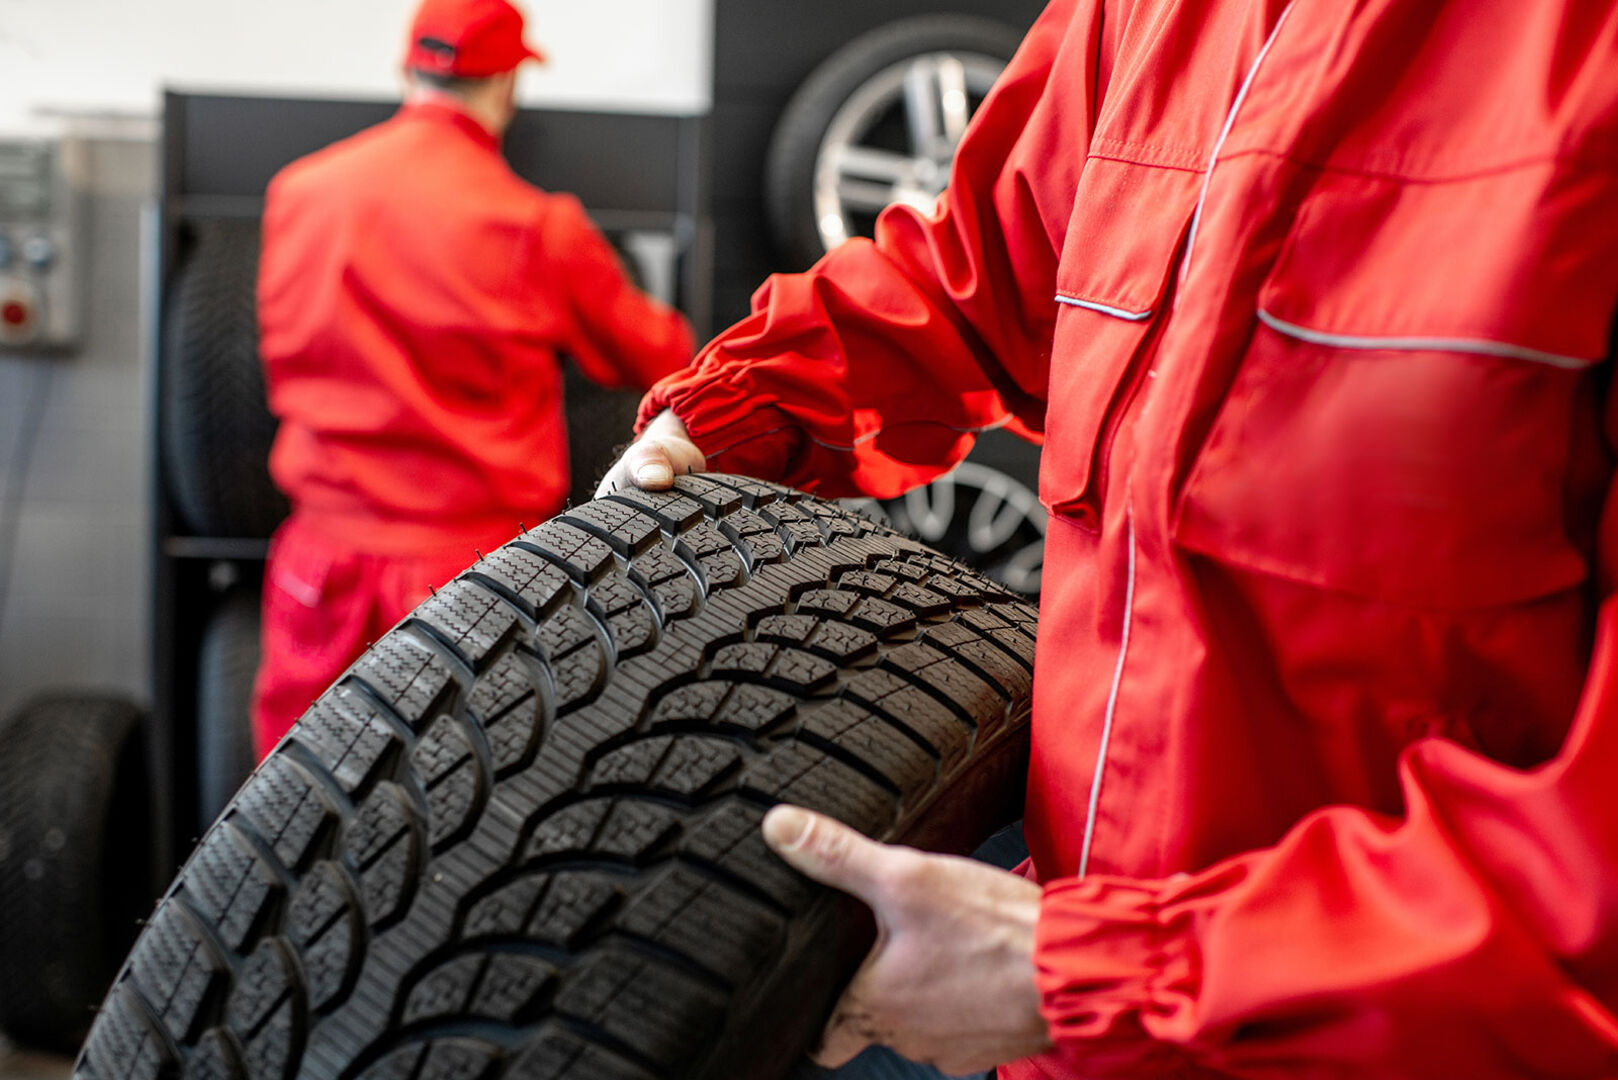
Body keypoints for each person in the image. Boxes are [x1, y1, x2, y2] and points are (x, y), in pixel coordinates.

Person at [599, 1, 1618, 1077]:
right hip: (1056, 1021)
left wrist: (1112, 974)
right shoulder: (1148, 14)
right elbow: (981, 276)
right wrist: (744, 407)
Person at [252, 0, 693, 757]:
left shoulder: (299, 192)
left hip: (316, 569)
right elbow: (660, 352)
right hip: (472, 580)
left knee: (291, 814)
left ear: (406, 69)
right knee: (462, 828)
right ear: (507, 85)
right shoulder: (533, 225)